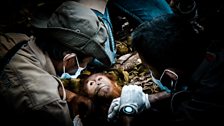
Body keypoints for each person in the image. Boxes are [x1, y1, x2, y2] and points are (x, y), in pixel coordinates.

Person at [0, 1, 112, 126]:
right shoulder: (49, 105)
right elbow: (40, 96)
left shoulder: (15, 39)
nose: (83, 68)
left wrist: (71, 97)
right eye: (85, 63)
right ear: (69, 60)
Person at [107, 6, 224, 124]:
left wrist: (127, 112)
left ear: (171, 75)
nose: (149, 72)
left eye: (149, 68)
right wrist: (149, 99)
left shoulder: (205, 104)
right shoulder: (213, 48)